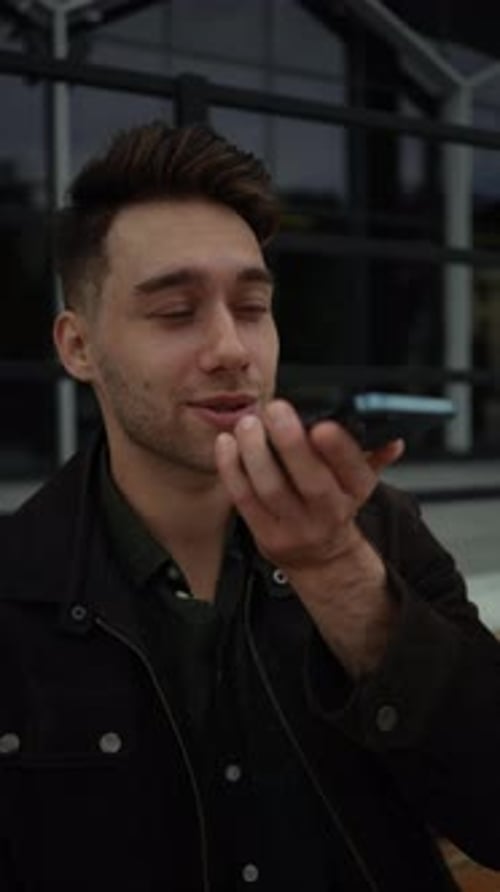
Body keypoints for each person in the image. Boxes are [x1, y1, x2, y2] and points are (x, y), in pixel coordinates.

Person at [0, 121, 499, 892]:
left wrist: (337, 575)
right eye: (175, 311)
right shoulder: (14, 589)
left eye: (254, 306)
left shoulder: (377, 533)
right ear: (78, 346)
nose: (232, 347)